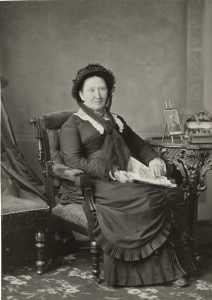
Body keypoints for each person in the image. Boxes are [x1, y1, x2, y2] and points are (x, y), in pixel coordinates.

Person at [59, 63, 197, 287]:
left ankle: (172, 269)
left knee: (167, 194)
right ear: (81, 94)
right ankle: (135, 274)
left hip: (126, 173)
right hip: (98, 181)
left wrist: (154, 159)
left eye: (102, 89)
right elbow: (73, 161)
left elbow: (139, 145)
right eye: (91, 90)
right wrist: (111, 172)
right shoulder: (72, 124)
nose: (97, 94)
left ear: (108, 92)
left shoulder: (116, 120)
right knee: (148, 198)